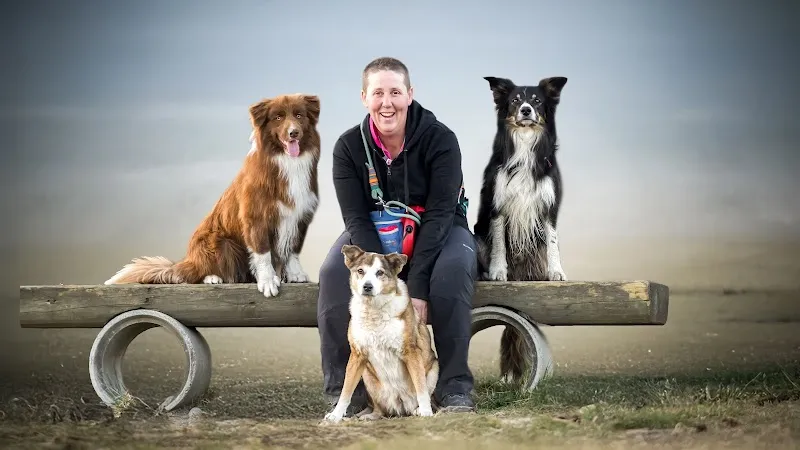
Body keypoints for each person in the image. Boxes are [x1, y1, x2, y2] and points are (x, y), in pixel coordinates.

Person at [317, 56, 478, 416]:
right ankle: (346, 394)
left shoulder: (441, 139)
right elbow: (355, 217)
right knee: (331, 274)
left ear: (410, 94)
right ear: (364, 97)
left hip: (439, 227)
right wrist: (379, 270)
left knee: (452, 274)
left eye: (395, 92)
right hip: (372, 229)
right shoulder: (348, 147)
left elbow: (440, 213)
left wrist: (415, 287)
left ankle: (454, 388)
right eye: (378, 93)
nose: (386, 103)